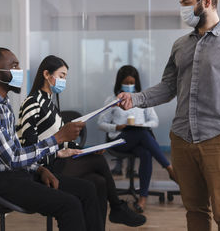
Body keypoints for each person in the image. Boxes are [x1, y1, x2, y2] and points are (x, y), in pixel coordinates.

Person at [118, 0, 220, 231]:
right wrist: (135, 99)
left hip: (219, 140)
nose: (181, 9)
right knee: (194, 210)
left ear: (206, 2)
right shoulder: (180, 45)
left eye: (185, 3)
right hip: (181, 139)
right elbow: (168, 87)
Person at [0, 47, 104, 231]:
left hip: (14, 174)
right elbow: (12, 158)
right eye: (14, 66)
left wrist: (39, 169)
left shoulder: (3, 104)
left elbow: (15, 151)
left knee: (87, 190)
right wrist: (57, 138)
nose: (20, 71)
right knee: (69, 204)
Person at [16, 55, 146, 228]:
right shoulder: (33, 102)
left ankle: (112, 213)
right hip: (45, 166)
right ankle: (117, 207)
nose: (64, 81)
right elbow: (28, 145)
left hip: (58, 158)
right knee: (98, 162)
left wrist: (83, 150)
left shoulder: (49, 103)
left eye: (65, 77)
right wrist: (59, 151)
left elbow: (62, 141)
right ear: (47, 74)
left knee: (99, 182)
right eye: (61, 76)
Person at [98, 65, 175, 213]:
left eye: (131, 82)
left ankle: (143, 198)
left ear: (136, 82)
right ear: (119, 82)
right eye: (125, 83)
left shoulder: (142, 100)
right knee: (142, 134)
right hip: (119, 140)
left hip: (138, 139)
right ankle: (169, 168)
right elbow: (101, 124)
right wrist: (118, 127)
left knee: (145, 150)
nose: (128, 86)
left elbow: (155, 121)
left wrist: (142, 124)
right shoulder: (112, 100)